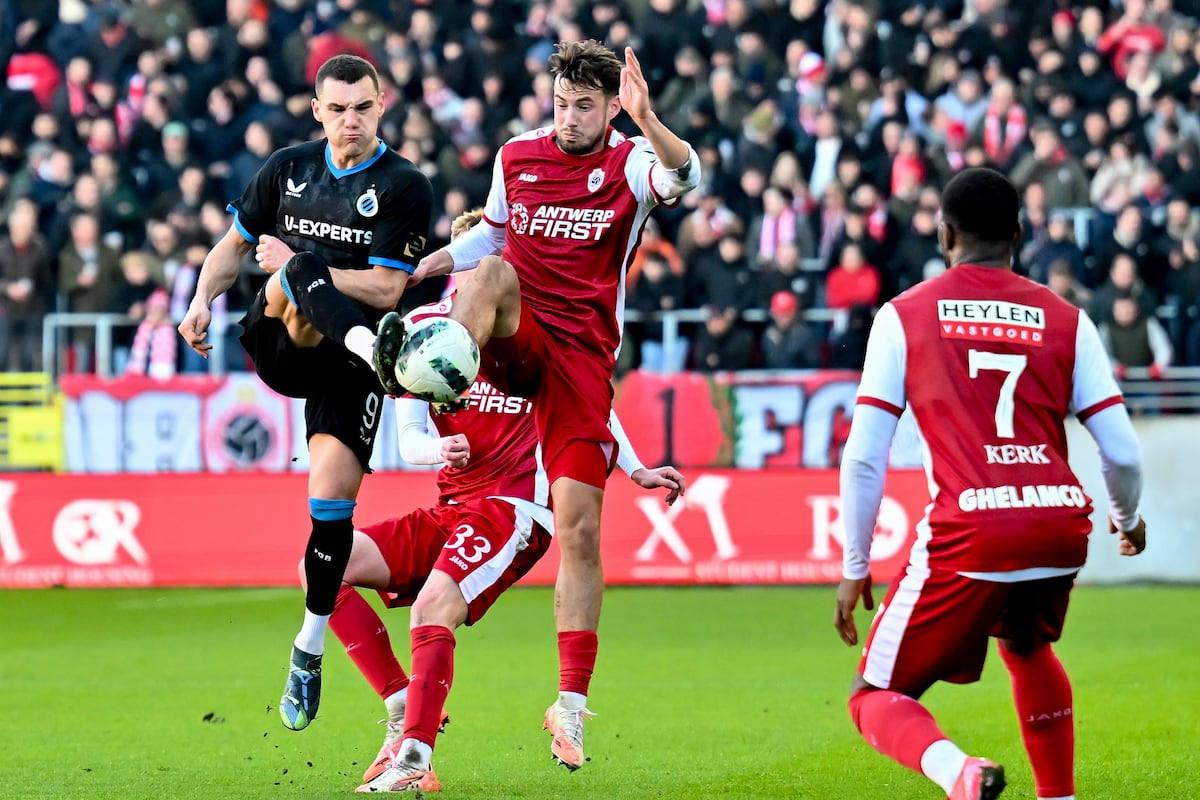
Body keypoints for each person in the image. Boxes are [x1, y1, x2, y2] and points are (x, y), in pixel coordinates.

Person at [376, 40, 700, 770]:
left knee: (580, 530)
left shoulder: (630, 163)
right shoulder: (518, 154)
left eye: (585, 105)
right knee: (491, 268)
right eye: (560, 102)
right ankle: (441, 370)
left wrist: (649, 123)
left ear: (613, 106)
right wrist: (434, 262)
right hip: (519, 330)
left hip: (581, 363)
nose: (569, 117)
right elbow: (490, 231)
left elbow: (687, 174)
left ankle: (572, 706)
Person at [341, 208, 687, 793]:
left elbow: (589, 405)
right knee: (324, 564)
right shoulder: (422, 331)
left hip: (513, 510)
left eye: (484, 260)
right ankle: (401, 704)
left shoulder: (530, 335)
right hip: (450, 506)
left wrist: (634, 468)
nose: (474, 273)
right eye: (465, 259)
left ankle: (413, 761)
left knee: (432, 607)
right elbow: (410, 438)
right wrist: (437, 451)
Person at [834, 168, 1147, 800]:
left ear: (944, 234)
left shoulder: (904, 316)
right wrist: (1128, 517)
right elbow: (1122, 450)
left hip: (970, 528)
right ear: (1020, 233)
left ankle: (961, 774)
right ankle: (1059, 795)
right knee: (1029, 647)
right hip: (1059, 522)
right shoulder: (1069, 320)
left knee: (875, 697)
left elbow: (865, 455)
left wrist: (855, 562)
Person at [177, 54, 434, 732]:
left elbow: (386, 290)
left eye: (364, 108)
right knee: (295, 280)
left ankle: (308, 646)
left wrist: (302, 263)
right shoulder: (289, 168)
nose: (352, 120)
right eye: (339, 108)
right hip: (284, 341)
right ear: (317, 110)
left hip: (346, 372)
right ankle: (357, 340)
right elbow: (232, 247)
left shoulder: (405, 185)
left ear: (382, 107)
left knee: (330, 511)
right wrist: (202, 299)